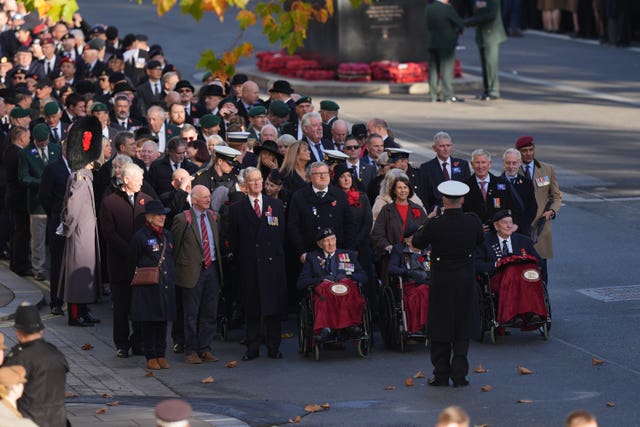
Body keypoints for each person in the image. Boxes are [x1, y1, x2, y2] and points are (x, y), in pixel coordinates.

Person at [411, 181, 484, 387]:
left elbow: (417, 242)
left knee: (440, 326)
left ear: (444, 200)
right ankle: (460, 375)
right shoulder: (473, 221)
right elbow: (479, 240)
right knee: (462, 325)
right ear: (462, 200)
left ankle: (441, 374)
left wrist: (428, 220)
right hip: (465, 279)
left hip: (442, 279)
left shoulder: (436, 224)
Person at [228, 167, 287, 360]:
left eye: (259, 179)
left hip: (272, 266)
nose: (256, 183)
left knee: (273, 308)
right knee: (252, 309)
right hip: (250, 265)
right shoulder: (236, 209)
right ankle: (252, 348)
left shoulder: (276, 205)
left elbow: (281, 235)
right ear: (245, 184)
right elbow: (234, 240)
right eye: (252, 181)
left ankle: (273, 347)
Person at [100, 162, 153, 355]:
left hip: (142, 264)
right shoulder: (110, 202)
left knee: (140, 306)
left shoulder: (146, 200)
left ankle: (138, 342)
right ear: (127, 180)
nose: (141, 182)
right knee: (121, 308)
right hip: (120, 263)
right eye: (138, 179)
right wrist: (130, 250)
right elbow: (109, 233)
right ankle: (122, 344)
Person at [58, 116, 104, 327]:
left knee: (85, 275)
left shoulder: (85, 176)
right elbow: (72, 211)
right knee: (77, 275)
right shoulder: (80, 179)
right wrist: (67, 228)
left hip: (85, 233)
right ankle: (75, 314)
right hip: (79, 235)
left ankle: (83, 310)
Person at [171, 185, 224, 365]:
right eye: (203, 197)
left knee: (210, 312)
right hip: (191, 271)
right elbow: (176, 248)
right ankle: (190, 349)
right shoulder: (182, 219)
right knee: (191, 314)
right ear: (193, 200)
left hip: (212, 269)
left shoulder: (214, 217)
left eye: (209, 196)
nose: (208, 200)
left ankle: (205, 348)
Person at [128, 200, 176, 370]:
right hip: (148, 287)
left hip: (165, 285)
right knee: (149, 323)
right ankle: (151, 355)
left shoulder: (168, 235)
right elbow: (132, 261)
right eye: (158, 214)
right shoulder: (140, 236)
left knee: (162, 322)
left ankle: (161, 354)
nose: (162, 217)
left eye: (164, 214)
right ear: (149, 217)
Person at [297, 227, 368, 342]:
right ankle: (326, 328)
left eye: (333, 239)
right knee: (325, 288)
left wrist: (348, 277)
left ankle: (351, 325)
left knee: (347, 285)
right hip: (325, 295)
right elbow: (301, 283)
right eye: (326, 241)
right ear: (320, 244)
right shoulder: (312, 258)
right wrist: (321, 279)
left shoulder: (348, 255)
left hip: (345, 292)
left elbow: (363, 277)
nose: (331, 244)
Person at [4, 304, 69, 427]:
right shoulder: (56, 354)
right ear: (41, 330)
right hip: (57, 421)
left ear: (18, 332)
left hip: (28, 422)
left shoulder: (18, 359)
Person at [288, 161, 356, 263]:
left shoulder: (339, 195)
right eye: (318, 174)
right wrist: (301, 252)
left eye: (325, 173)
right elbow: (293, 226)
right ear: (310, 177)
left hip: (337, 251)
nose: (323, 176)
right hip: (310, 252)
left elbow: (349, 224)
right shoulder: (299, 197)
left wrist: (348, 250)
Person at [18, 123, 61, 281]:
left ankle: (58, 266)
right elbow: (23, 177)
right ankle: (39, 269)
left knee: (57, 237)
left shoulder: (56, 149)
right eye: (39, 140)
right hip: (37, 203)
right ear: (33, 139)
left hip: (55, 201)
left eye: (44, 140)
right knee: (38, 239)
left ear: (49, 137)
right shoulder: (26, 153)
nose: (42, 143)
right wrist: (40, 182)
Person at [516, 136, 561, 285]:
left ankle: (542, 303)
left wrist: (552, 211)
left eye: (531, 150)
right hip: (521, 229)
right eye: (524, 151)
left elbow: (556, 196)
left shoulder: (547, 169)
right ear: (518, 153)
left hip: (541, 229)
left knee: (541, 272)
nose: (528, 153)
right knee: (523, 272)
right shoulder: (512, 170)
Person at [332, 163, 375, 308]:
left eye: (349, 176)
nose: (346, 180)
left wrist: (356, 243)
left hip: (361, 245)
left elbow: (367, 222)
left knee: (365, 277)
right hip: (341, 245)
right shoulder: (333, 198)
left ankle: (369, 309)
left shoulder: (362, 197)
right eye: (342, 177)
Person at [371, 175, 430, 262]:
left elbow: (426, 230)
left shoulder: (418, 208)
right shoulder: (386, 209)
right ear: (394, 190)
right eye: (399, 188)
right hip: (392, 256)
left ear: (409, 189)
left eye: (405, 187)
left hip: (415, 256)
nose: (403, 190)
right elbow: (377, 232)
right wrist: (386, 246)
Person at [387, 225, 430, 335]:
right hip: (409, 283)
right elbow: (391, 267)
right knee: (423, 291)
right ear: (407, 240)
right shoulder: (399, 249)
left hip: (429, 281)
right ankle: (420, 325)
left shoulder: (428, 249)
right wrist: (406, 272)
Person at [463, 149, 517, 231]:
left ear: (490, 164)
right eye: (477, 162)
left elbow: (512, 207)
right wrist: (474, 227)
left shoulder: (502, 184)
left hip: (498, 232)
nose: (480, 166)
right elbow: (462, 213)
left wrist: (513, 224)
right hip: (474, 233)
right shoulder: (465, 186)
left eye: (483, 162)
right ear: (471, 164)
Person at [465, 0, 507, 100]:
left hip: (491, 34)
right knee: (484, 64)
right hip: (481, 34)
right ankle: (487, 89)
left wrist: (470, 21)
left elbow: (491, 15)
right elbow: (476, 12)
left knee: (490, 63)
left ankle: (494, 90)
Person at [419, 131, 471, 211]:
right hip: (438, 212)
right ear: (434, 148)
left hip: (461, 211)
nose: (446, 149)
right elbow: (425, 196)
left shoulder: (462, 165)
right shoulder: (426, 168)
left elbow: (468, 190)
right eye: (442, 146)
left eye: (448, 145)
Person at [425, 0, 464, 103]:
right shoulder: (447, 8)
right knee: (446, 69)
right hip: (446, 43)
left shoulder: (428, 8)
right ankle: (448, 95)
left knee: (433, 70)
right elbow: (459, 23)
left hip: (432, 41)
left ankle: (433, 95)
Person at [501, 148, 537, 237]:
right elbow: (495, 208)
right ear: (503, 163)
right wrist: (505, 225)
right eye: (508, 163)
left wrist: (518, 225)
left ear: (520, 163)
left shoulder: (527, 183)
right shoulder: (496, 182)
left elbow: (532, 208)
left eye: (514, 163)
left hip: (521, 232)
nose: (511, 166)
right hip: (502, 230)